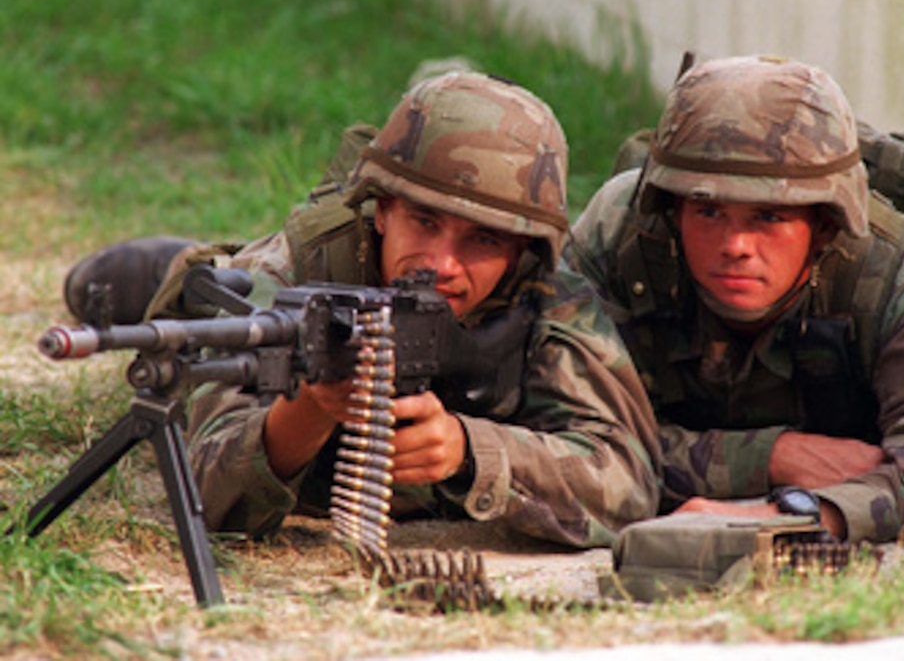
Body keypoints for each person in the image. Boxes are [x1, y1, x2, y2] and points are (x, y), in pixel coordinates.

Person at [76, 71, 661, 549]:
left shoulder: (546, 300)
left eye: (482, 240)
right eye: (424, 222)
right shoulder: (291, 279)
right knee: (158, 290)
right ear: (381, 211)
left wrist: (469, 451)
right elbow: (205, 489)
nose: (442, 264)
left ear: (521, 251)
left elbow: (629, 483)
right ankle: (173, 262)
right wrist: (306, 412)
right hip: (237, 284)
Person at [563, 55, 904, 543]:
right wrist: (771, 457)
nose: (735, 245)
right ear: (672, 209)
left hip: (894, 285)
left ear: (823, 225)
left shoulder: (901, 279)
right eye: (708, 210)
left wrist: (805, 516)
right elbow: (559, 432)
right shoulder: (620, 239)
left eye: (769, 217)